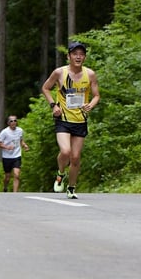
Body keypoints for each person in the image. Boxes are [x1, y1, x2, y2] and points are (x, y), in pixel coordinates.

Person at [41, 41, 100, 199]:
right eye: (75, 54)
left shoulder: (90, 74)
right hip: (63, 119)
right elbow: (45, 88)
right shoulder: (60, 73)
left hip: (80, 120)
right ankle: (60, 174)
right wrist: (53, 105)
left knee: (75, 157)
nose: (78, 57)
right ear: (69, 56)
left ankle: (71, 188)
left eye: (81, 54)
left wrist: (91, 105)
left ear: (84, 57)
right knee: (65, 152)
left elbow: (96, 95)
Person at [0, 115, 29, 192]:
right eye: (11, 121)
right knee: (7, 177)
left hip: (17, 156)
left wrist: (24, 145)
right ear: (8, 123)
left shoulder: (20, 130)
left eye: (15, 120)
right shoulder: (4, 132)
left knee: (16, 175)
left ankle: (14, 194)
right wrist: (7, 147)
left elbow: (20, 140)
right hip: (7, 157)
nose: (13, 122)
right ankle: (5, 187)